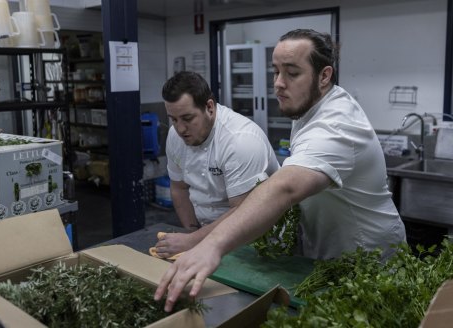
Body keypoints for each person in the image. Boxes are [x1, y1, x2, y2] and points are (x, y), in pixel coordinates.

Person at [154, 29, 406, 311]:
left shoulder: (337, 125)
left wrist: (211, 245)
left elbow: (284, 187)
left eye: (292, 73)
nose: (278, 84)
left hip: (369, 257)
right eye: (275, 72)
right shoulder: (308, 109)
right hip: (325, 252)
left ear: (324, 76)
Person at [153, 71, 280, 258]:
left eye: (188, 119)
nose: (180, 129)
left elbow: (244, 212)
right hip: (206, 235)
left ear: (210, 107)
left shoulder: (240, 141)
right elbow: (179, 188)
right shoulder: (175, 136)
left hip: (257, 240)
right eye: (174, 119)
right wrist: (191, 233)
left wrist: (191, 241)